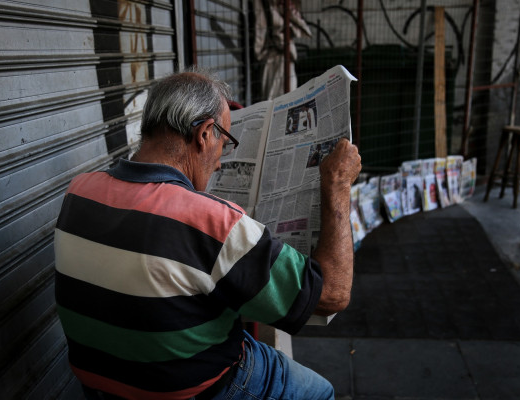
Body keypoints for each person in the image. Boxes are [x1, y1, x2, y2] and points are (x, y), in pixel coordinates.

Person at [54, 68, 362, 400]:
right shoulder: (211, 223)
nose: (218, 164)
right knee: (322, 392)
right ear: (203, 134)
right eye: (224, 142)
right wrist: (338, 185)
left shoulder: (78, 192)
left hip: (101, 385)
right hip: (195, 391)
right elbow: (332, 293)